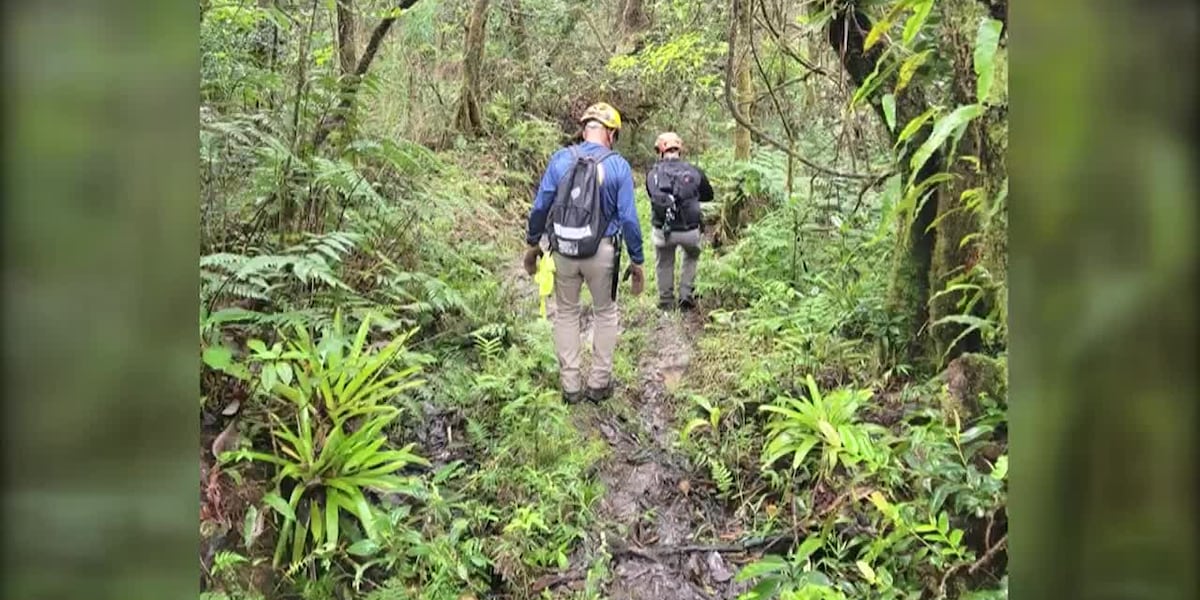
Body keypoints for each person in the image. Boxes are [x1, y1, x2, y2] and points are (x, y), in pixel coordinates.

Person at [523, 102, 645, 404]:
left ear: (584, 128)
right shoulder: (617, 166)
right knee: (605, 313)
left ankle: (571, 385)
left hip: (563, 250)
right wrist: (638, 260)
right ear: (612, 133)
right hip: (602, 252)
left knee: (566, 312)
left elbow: (541, 206)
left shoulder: (561, 160)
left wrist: (532, 244)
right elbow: (629, 218)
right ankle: (599, 383)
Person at [645, 132, 713, 311]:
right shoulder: (694, 171)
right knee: (691, 256)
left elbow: (652, 195)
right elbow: (708, 195)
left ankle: (666, 301)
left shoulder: (653, 174)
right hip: (690, 230)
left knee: (664, 261)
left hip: (663, 230)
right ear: (679, 150)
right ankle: (685, 295)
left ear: (660, 151)